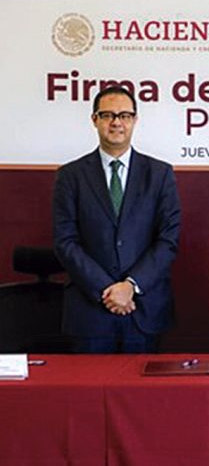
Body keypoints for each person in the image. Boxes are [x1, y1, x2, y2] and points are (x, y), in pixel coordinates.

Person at [52, 86, 181, 353]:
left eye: (124, 115)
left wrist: (131, 286)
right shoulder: (70, 175)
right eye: (107, 115)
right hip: (90, 312)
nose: (116, 122)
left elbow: (168, 240)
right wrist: (108, 289)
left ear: (135, 120)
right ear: (94, 120)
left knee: (143, 382)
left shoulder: (160, 174)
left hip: (143, 310)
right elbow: (66, 242)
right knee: (89, 382)